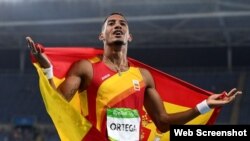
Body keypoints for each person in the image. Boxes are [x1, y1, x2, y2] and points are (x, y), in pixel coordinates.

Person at [26, 13, 242, 140]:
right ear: (102, 35)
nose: (117, 26)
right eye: (111, 24)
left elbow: (163, 123)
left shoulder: (143, 77)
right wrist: (48, 71)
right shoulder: (86, 69)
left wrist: (204, 105)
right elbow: (58, 105)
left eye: (122, 24)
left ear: (130, 36)